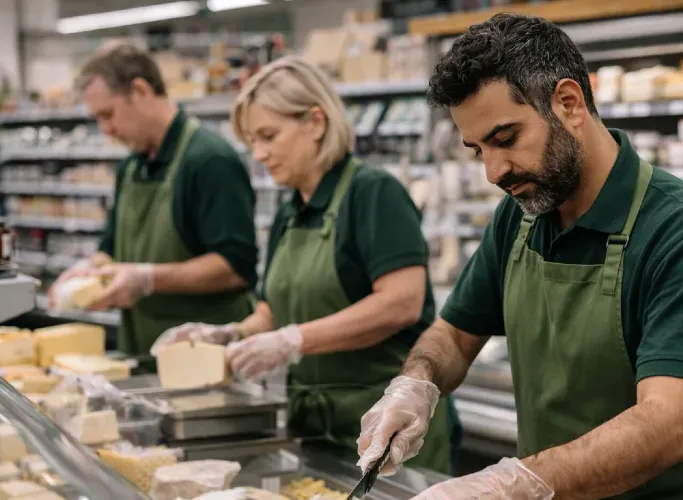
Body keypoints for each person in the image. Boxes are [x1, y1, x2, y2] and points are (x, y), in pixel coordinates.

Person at [356, 14, 683, 500]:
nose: (493, 172)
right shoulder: (521, 218)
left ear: (569, 102)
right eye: (477, 149)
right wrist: (414, 384)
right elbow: (454, 332)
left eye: (506, 138)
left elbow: (666, 426)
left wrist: (509, 485)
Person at [153, 56, 458, 474]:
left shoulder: (372, 193)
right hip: (315, 428)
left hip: (390, 426)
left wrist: (293, 340)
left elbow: (401, 303)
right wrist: (228, 334)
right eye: (252, 142)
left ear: (316, 122)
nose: (259, 153)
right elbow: (271, 310)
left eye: (268, 136)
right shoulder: (289, 212)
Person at [48, 40, 258, 357]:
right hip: (142, 354)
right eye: (97, 119)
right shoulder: (131, 167)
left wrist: (147, 279)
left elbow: (235, 267)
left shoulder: (208, 159)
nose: (105, 130)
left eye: (108, 114)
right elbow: (111, 248)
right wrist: (88, 270)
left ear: (141, 91)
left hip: (206, 360)